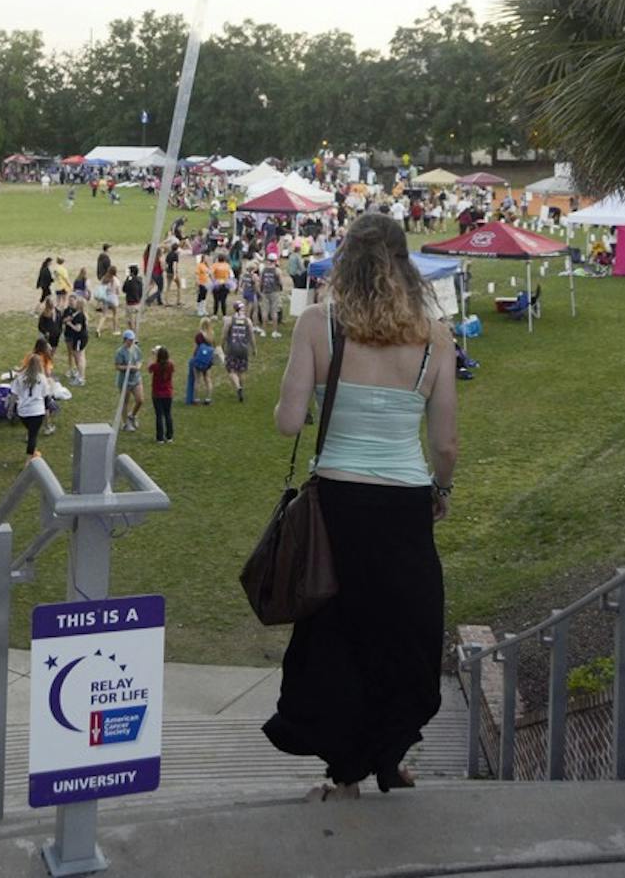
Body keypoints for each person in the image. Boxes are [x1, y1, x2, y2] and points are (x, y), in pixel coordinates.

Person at [265, 213, 458, 800]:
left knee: (337, 639)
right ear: (406, 263)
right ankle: (379, 760)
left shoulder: (317, 324)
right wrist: (441, 492)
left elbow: (287, 422)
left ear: (344, 260)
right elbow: (444, 443)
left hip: (337, 506)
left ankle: (352, 770)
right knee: (404, 635)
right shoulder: (436, 332)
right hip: (404, 507)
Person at [13, 353, 48, 461]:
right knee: (32, 435)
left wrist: (12, 409)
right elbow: (46, 395)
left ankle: (34, 452)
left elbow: (14, 394)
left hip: (23, 411)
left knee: (31, 432)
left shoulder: (20, 378)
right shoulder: (41, 378)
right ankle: (29, 461)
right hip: (37, 411)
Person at [223, 299, 256, 400]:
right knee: (241, 371)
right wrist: (254, 348)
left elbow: (224, 335)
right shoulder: (248, 321)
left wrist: (221, 345)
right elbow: (251, 336)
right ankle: (241, 388)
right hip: (244, 349)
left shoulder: (229, 320)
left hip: (232, 348)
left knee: (232, 371)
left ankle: (238, 388)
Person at [114, 329, 143, 432]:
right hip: (124, 381)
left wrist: (138, 366)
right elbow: (117, 366)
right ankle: (126, 423)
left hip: (136, 379)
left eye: (132, 340)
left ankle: (132, 415)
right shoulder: (120, 352)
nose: (131, 342)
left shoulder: (136, 349)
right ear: (125, 340)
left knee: (140, 400)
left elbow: (140, 360)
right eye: (130, 340)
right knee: (125, 402)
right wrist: (128, 367)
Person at [186, 318, 217, 405]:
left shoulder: (199, 335)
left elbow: (195, 348)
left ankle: (196, 398)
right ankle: (208, 398)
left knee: (197, 380)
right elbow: (213, 347)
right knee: (207, 379)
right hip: (208, 360)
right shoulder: (211, 334)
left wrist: (193, 357)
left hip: (199, 359)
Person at [149, 345, 174, 443]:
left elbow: (149, 368)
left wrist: (153, 355)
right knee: (168, 414)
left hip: (157, 394)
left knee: (159, 415)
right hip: (168, 393)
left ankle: (159, 437)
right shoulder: (170, 365)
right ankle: (169, 436)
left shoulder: (155, 366)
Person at [63, 295, 89, 385]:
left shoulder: (80, 315)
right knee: (81, 356)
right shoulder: (79, 314)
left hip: (79, 338)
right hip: (82, 337)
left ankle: (81, 378)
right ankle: (80, 374)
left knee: (79, 357)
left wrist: (69, 324)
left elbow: (78, 328)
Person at [260, 252, 284, 338]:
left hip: (265, 291)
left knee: (265, 311)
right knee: (274, 312)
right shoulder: (277, 271)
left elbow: (261, 282)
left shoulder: (264, 270)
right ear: (275, 261)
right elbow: (281, 282)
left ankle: (263, 330)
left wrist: (261, 290)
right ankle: (274, 331)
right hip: (274, 292)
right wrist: (281, 288)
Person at [210, 253, 232, 317]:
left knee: (216, 300)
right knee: (223, 300)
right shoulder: (227, 265)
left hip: (216, 283)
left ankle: (215, 314)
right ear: (224, 259)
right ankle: (224, 314)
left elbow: (210, 273)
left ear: (218, 259)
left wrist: (213, 280)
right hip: (225, 283)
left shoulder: (214, 265)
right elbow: (231, 275)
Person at [123, 265, 144, 331]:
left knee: (130, 321)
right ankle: (136, 334)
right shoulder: (139, 280)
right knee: (136, 321)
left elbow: (124, 289)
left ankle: (133, 336)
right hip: (138, 303)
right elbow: (141, 291)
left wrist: (127, 279)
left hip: (130, 303)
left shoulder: (129, 281)